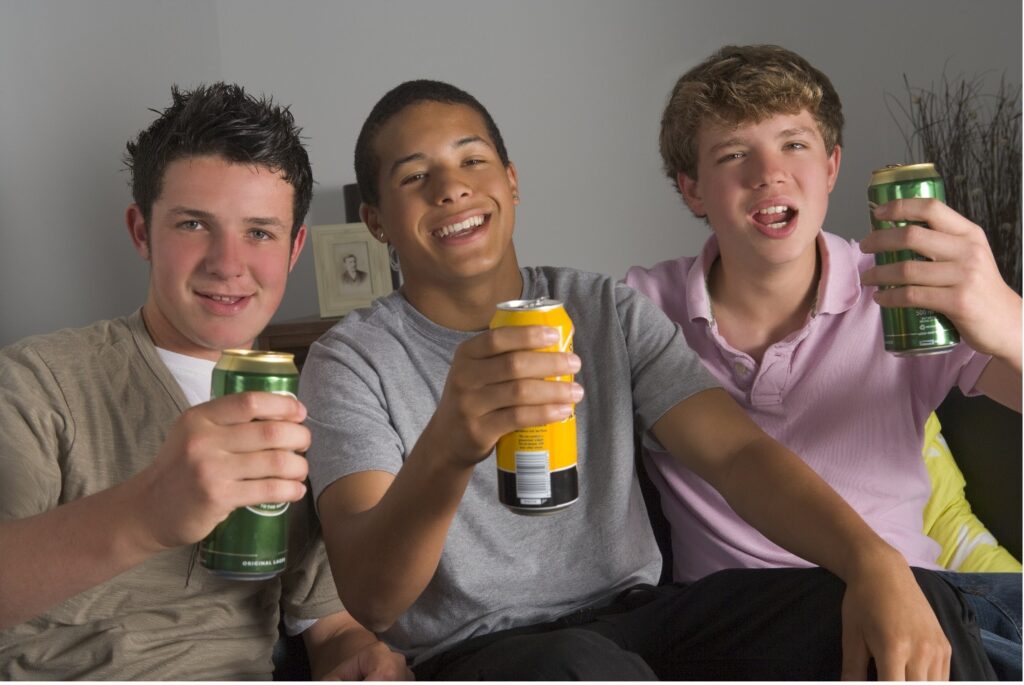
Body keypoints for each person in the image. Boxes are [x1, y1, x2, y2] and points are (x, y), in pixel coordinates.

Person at [299, 78, 995, 680]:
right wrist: (450, 445)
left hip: (644, 622)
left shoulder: (604, 309)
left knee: (895, 602)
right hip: (482, 650)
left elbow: (737, 453)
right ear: (375, 221)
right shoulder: (350, 360)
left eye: (471, 160)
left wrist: (873, 561)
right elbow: (376, 596)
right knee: (579, 666)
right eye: (414, 176)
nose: (451, 187)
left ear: (511, 181)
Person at [624, 44, 1022, 678]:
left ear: (833, 166)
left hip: (927, 604)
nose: (769, 174)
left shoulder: (905, 289)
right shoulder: (641, 309)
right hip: (748, 626)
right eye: (734, 154)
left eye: (795, 145)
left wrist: (1007, 316)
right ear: (693, 189)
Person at [0, 83, 410, 681]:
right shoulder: (40, 381)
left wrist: (358, 655)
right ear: (142, 231)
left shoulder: (308, 404)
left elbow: (327, 622)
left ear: (295, 247)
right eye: (194, 224)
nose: (227, 262)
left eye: (260, 232)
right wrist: (146, 511)